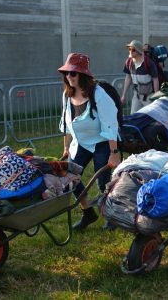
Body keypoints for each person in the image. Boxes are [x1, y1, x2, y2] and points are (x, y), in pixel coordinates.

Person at [58, 53, 121, 230]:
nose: (69, 77)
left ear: (83, 74)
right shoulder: (67, 95)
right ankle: (88, 213)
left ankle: (111, 215)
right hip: (81, 143)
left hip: (102, 142)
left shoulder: (99, 94)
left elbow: (110, 124)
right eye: (66, 74)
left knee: (103, 182)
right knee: (71, 179)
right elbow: (67, 123)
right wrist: (66, 147)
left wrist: (114, 153)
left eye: (73, 73)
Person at [121, 40, 159, 113]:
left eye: (133, 49)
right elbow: (128, 78)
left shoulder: (149, 63)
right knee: (133, 117)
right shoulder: (129, 62)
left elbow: (155, 79)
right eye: (129, 49)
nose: (130, 51)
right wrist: (123, 95)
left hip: (149, 96)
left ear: (138, 51)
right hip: (136, 96)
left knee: (149, 118)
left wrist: (156, 97)